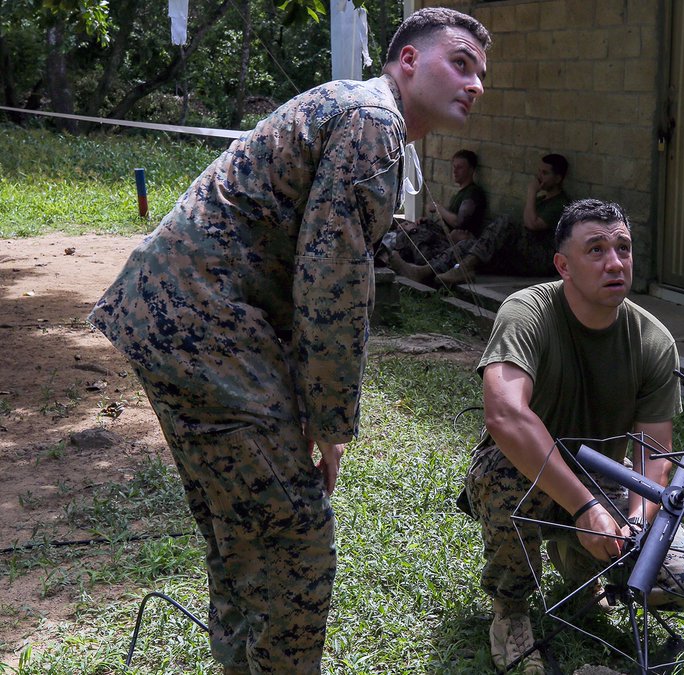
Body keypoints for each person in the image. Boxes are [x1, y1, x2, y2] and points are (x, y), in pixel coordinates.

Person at [87, 8, 490, 673]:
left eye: (482, 75)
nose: (476, 84)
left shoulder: (363, 113)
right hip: (205, 323)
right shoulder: (375, 122)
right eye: (461, 63)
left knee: (242, 531)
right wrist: (329, 422)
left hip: (172, 315)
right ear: (409, 62)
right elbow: (333, 280)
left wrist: (303, 407)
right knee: (296, 539)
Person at [462, 199, 684, 674]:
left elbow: (654, 454)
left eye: (623, 248)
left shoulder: (654, 342)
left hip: (606, 483)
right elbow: (505, 416)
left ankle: (581, 566)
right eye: (595, 250)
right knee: (501, 475)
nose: (615, 262)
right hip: (526, 472)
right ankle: (510, 610)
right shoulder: (527, 312)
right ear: (564, 265)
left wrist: (637, 522)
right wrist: (585, 509)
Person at [393, 153, 571, 285]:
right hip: (521, 255)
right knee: (467, 246)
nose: (539, 177)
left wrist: (531, 192)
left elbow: (531, 224)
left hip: (540, 259)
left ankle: (464, 269)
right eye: (539, 172)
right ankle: (425, 271)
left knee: (506, 221)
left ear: (559, 178)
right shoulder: (540, 200)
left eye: (545, 173)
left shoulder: (560, 203)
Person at [380, 148, 487, 269]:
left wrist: (438, 208)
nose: (455, 171)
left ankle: (385, 255)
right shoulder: (460, 194)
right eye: (454, 167)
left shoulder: (472, 193)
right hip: (442, 237)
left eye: (460, 167)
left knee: (408, 234)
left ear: (471, 170)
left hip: (450, 244)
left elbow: (459, 222)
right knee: (399, 225)